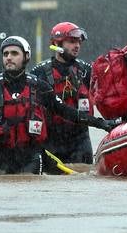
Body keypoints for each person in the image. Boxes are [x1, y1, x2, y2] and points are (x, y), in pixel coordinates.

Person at [0, 35, 111, 175]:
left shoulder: (40, 87)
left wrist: (102, 123)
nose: (9, 57)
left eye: (14, 53)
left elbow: (67, 112)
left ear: (26, 57)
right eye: (5, 54)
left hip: (30, 160)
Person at [30, 21, 100, 165]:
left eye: (79, 42)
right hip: (50, 140)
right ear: (56, 43)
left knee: (83, 177)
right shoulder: (39, 72)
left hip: (80, 139)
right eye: (72, 41)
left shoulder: (86, 70)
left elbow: (105, 96)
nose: (77, 46)